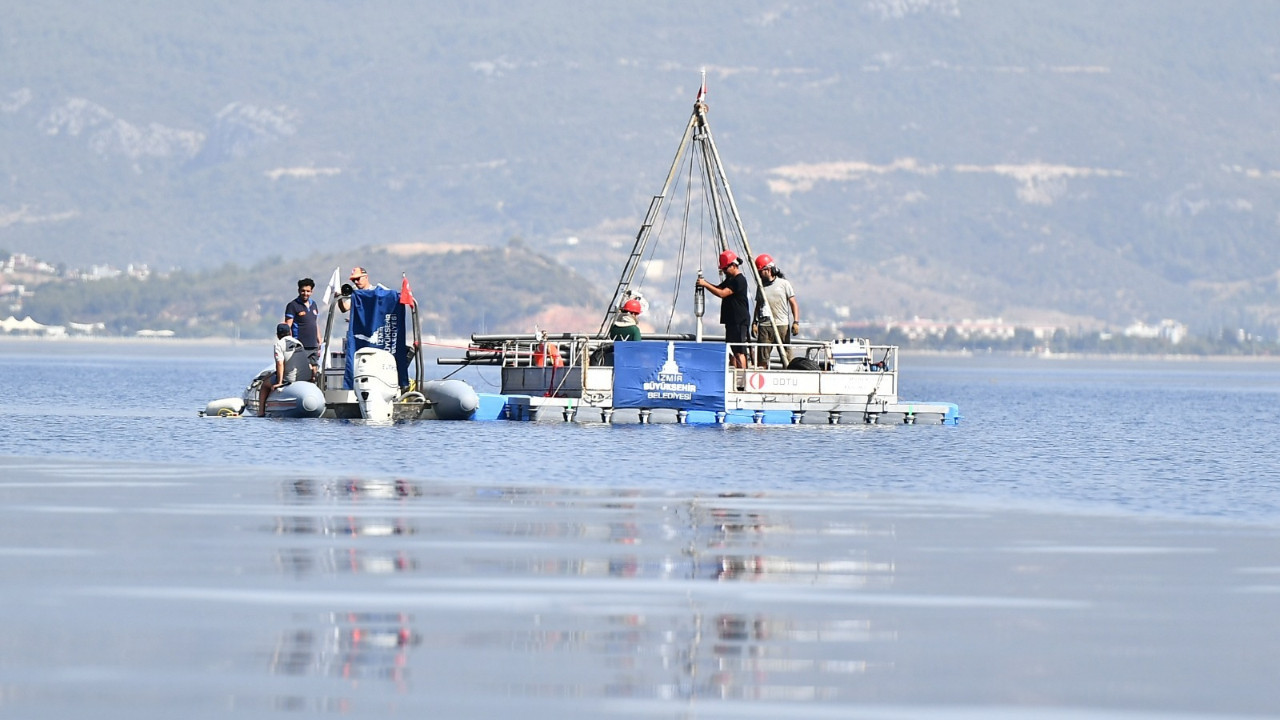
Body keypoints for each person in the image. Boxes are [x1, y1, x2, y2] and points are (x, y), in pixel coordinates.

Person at [696, 250, 751, 369]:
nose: (724, 271)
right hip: (731, 320)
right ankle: (735, 374)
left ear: (734, 265)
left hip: (739, 320)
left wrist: (705, 284)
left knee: (739, 350)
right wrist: (705, 283)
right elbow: (718, 288)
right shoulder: (730, 280)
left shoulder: (739, 280)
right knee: (732, 350)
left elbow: (722, 293)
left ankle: (742, 378)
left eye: (726, 268)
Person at [752, 254, 801, 367]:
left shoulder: (784, 284)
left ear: (768, 270)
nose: (759, 274)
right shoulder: (761, 287)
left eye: (760, 271)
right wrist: (755, 322)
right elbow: (758, 305)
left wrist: (796, 322)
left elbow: (793, 303)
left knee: (787, 357)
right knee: (762, 358)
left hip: (782, 325)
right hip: (765, 326)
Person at [258, 323, 314, 417]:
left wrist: (279, 382)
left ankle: (261, 412)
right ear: (290, 332)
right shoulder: (298, 342)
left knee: (264, 384)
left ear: (277, 335)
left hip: (291, 379)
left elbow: (280, 363)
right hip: (306, 377)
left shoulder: (279, 345)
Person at [284, 277, 320, 377]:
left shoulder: (314, 304)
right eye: (303, 291)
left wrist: (319, 340)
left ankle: (313, 385)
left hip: (313, 344)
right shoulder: (293, 305)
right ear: (299, 291)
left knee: (314, 368)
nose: (305, 293)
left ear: (312, 292)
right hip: (299, 345)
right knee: (303, 369)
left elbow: (315, 323)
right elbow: (288, 326)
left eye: (308, 291)